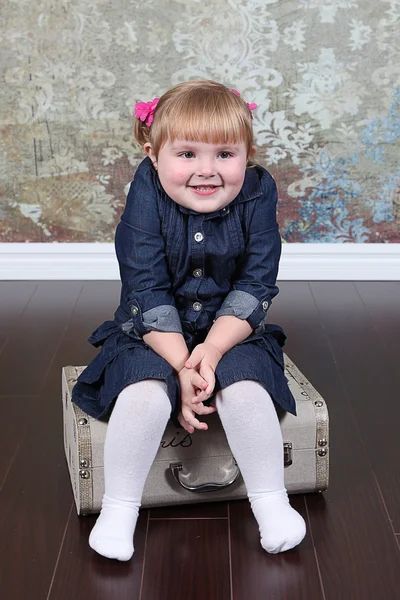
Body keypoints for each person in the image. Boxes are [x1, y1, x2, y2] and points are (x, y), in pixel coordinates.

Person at [72, 79, 306, 561]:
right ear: (153, 154)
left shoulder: (258, 192)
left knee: (244, 391)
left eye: (225, 154)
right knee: (142, 396)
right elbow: (145, 285)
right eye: (187, 155)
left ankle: (271, 502)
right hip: (152, 332)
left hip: (231, 329)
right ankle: (119, 510)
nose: (207, 170)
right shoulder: (146, 191)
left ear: (248, 154)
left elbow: (257, 281)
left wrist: (215, 350)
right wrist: (183, 366)